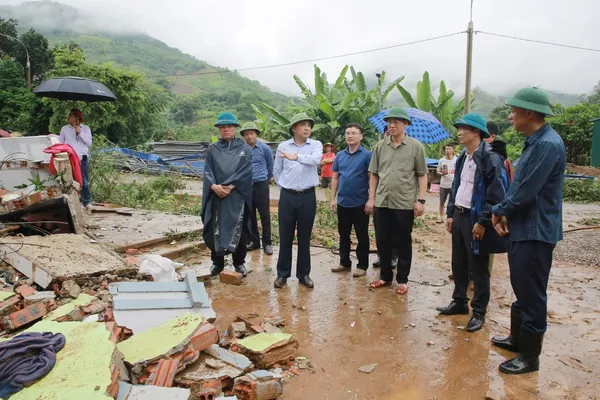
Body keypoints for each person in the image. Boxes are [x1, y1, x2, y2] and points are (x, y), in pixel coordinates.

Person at [491, 87, 566, 375]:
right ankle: (518, 339)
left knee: (532, 291)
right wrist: (507, 212)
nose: (509, 116)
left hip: (536, 230)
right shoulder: (535, 142)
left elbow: (524, 192)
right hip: (524, 227)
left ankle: (530, 357)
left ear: (529, 113)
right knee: (522, 285)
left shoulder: (547, 145)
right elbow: (519, 187)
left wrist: (500, 210)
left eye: (513, 111)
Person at [436, 113, 508, 332]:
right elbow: (457, 186)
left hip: (476, 218)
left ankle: (479, 312)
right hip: (459, 215)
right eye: (458, 128)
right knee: (458, 261)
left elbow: (496, 194)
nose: (459, 132)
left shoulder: (490, 158)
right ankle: (459, 302)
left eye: (463, 128)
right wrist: (450, 213)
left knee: (478, 266)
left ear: (476, 132)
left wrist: (484, 221)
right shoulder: (462, 158)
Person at [366, 107, 428, 295]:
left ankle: (402, 279)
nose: (392, 125)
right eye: (389, 122)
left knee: (403, 241)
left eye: (396, 122)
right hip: (382, 201)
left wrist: (421, 200)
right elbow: (374, 174)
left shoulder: (415, 146)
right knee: (382, 240)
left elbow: (422, 174)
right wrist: (372, 198)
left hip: (404, 202)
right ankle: (385, 276)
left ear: (406, 124)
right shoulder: (380, 146)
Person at [273, 112, 323, 289]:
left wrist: (297, 157)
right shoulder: (283, 146)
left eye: (309, 124)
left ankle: (304, 274)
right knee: (285, 235)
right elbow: (277, 171)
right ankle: (282, 275)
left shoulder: (316, 145)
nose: (307, 127)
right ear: (294, 128)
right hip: (287, 197)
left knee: (305, 237)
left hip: (308, 196)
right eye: (303, 124)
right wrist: (284, 189)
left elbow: (316, 160)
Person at [201, 112, 253, 278]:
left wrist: (229, 186)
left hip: (236, 196)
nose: (225, 129)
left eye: (229, 126)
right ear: (218, 129)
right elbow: (208, 171)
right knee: (216, 228)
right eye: (222, 127)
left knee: (239, 229)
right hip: (217, 196)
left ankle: (239, 263)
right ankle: (218, 263)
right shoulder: (212, 149)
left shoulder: (244, 149)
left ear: (235, 128)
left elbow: (245, 172)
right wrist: (214, 186)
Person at [330, 123, 372, 277]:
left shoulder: (367, 155)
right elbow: (335, 177)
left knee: (362, 235)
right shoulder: (340, 155)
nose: (350, 136)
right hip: (343, 202)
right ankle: (344, 262)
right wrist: (333, 199)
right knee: (343, 234)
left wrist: (371, 199)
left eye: (354, 133)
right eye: (347, 133)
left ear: (361, 136)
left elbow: (370, 179)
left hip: (360, 203)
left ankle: (362, 265)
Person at [240, 122, 274, 256]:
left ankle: (267, 243)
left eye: (251, 133)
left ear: (256, 134)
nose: (249, 136)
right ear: (243, 136)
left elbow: (270, 167)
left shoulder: (265, 148)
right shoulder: (242, 150)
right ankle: (254, 242)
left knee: (265, 215)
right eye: (246, 134)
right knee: (250, 215)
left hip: (261, 185)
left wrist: (265, 179)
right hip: (247, 186)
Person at [484, 121, 513, 276]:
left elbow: (507, 185)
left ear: (492, 137)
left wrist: (501, 211)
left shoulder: (501, 160)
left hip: (493, 208)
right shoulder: (475, 155)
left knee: (488, 245)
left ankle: (484, 277)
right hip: (479, 208)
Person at [59, 109, 92, 208]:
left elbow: (89, 143)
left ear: (77, 117)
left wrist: (80, 133)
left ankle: (86, 202)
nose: (68, 117)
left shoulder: (86, 128)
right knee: (70, 181)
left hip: (82, 158)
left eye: (71, 116)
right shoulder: (64, 129)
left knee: (84, 181)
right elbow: (61, 143)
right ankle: (73, 202)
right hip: (70, 159)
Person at [437, 144, 457, 223]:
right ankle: (441, 217)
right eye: (446, 149)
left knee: (454, 202)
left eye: (449, 149)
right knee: (442, 202)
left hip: (453, 184)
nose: (448, 150)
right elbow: (438, 171)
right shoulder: (441, 161)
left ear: (453, 150)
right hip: (443, 184)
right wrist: (441, 173)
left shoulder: (457, 160)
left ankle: (452, 217)